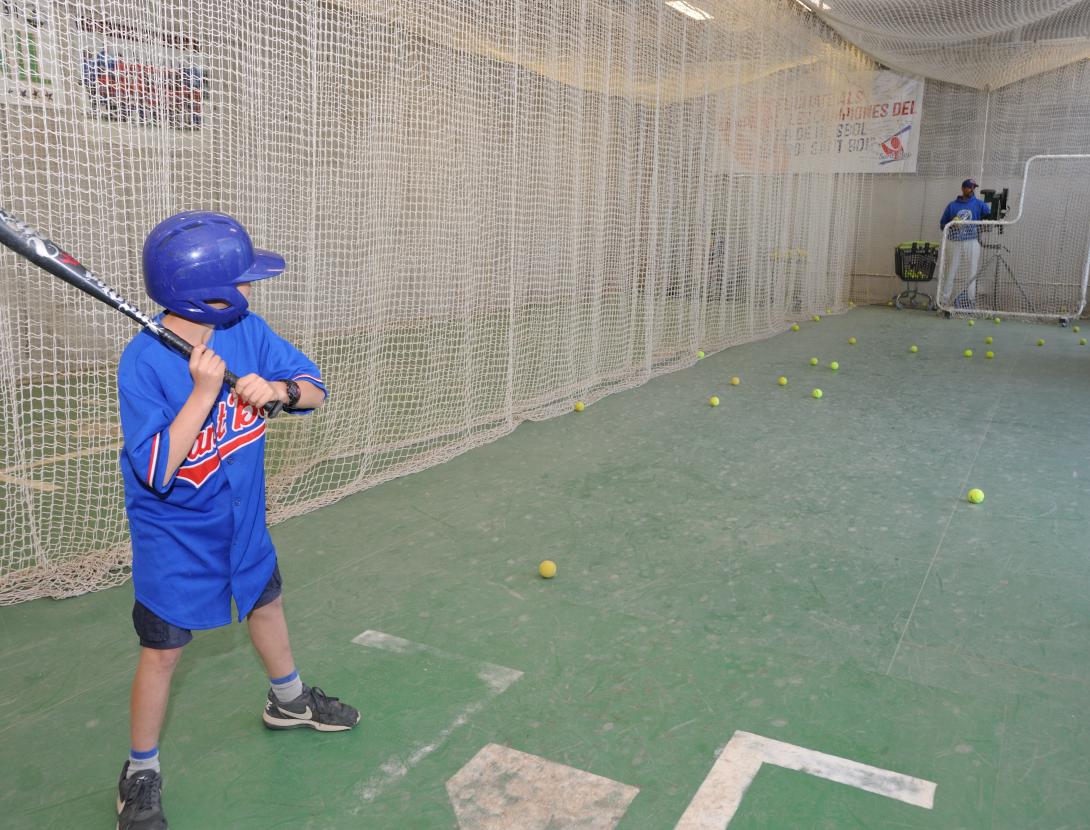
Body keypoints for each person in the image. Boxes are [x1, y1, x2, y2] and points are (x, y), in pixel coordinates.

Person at [115, 212, 359, 829]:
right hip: (175, 540)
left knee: (266, 603)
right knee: (162, 653)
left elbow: (315, 388)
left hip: (244, 522)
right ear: (209, 293)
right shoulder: (143, 363)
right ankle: (140, 771)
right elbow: (156, 470)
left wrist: (277, 391)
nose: (252, 289)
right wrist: (203, 395)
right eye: (243, 280)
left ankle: (289, 701)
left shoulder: (247, 330)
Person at [938, 178, 991, 307]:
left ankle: (970, 301)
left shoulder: (979, 204)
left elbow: (991, 217)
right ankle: (944, 301)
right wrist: (952, 224)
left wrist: (985, 223)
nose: (972, 190)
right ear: (963, 188)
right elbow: (942, 225)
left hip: (972, 241)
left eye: (973, 187)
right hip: (954, 241)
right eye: (969, 187)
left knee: (972, 272)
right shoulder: (952, 205)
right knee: (950, 272)